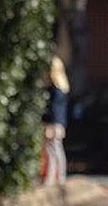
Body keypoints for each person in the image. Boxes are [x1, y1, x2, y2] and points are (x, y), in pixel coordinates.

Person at [42, 55, 71, 187]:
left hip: (53, 123)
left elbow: (52, 108)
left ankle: (56, 177)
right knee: (56, 150)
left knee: (53, 150)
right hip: (59, 122)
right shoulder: (63, 87)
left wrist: (49, 124)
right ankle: (57, 177)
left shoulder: (54, 89)